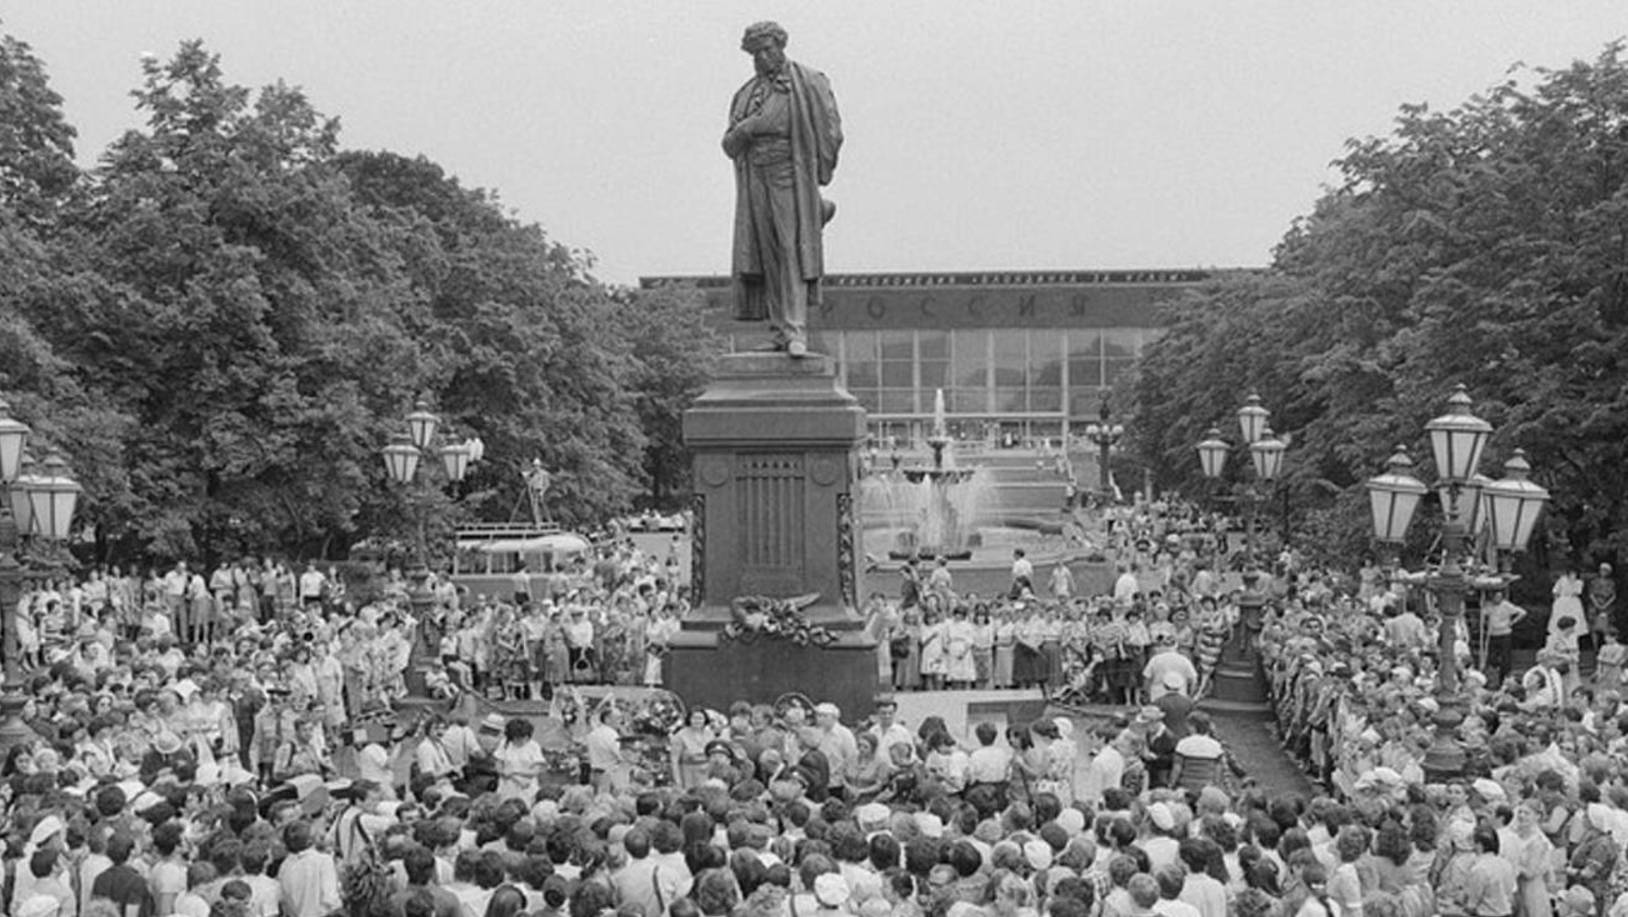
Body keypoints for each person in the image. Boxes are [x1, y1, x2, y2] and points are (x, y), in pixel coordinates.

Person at [723, 20, 843, 356]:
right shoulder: (745, 94)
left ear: (780, 46)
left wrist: (818, 173)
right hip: (755, 178)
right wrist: (747, 129)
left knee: (791, 249)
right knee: (768, 253)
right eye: (755, 53)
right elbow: (729, 144)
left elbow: (831, 128)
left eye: (766, 49)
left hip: (790, 174)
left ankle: (795, 330)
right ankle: (779, 331)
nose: (761, 57)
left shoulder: (808, 81)